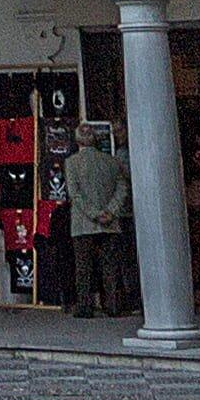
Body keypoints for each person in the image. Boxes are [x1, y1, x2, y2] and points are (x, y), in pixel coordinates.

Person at [60, 121, 137, 318]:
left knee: (84, 267)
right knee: (110, 266)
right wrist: (110, 211)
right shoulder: (111, 161)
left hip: (83, 224)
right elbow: (122, 188)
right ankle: (112, 304)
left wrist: (94, 214)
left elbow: (75, 195)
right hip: (111, 223)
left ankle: (85, 306)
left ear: (77, 140)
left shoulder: (72, 163)